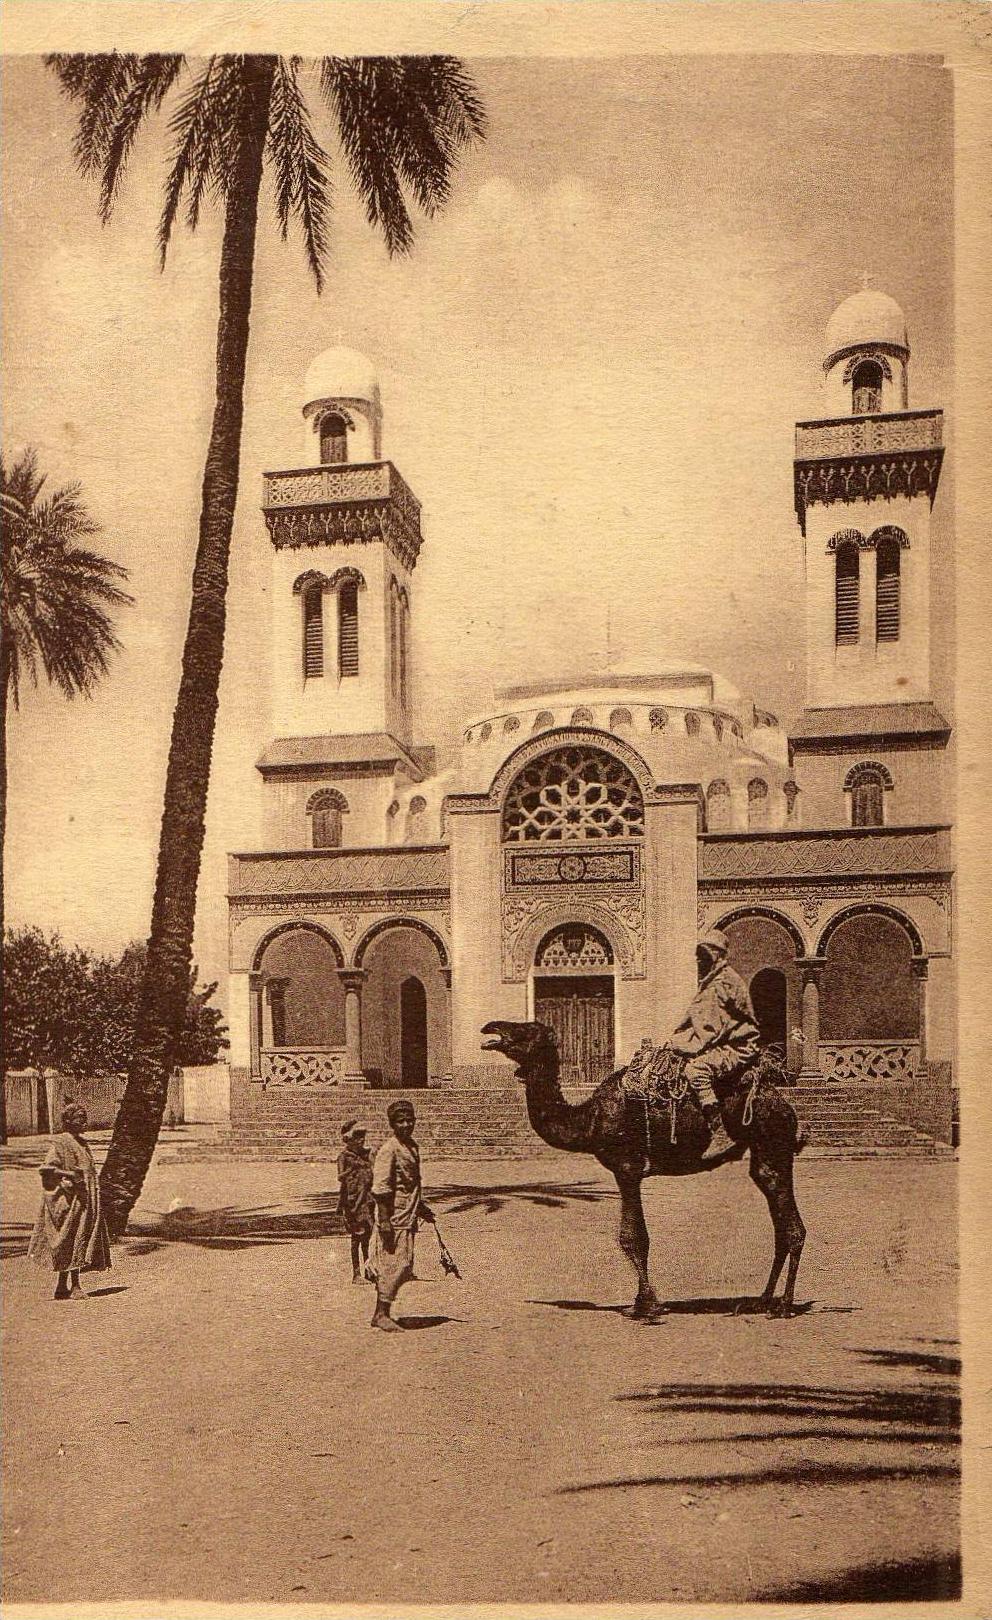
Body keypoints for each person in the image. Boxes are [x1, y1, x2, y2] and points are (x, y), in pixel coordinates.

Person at [669, 929, 760, 1161]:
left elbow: (709, 1030)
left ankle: (720, 1132)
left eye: (704, 956)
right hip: (722, 1042)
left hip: (738, 1047)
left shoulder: (723, 983)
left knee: (695, 1070)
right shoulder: (711, 981)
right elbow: (694, 1020)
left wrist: (680, 1046)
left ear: (717, 955)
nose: (699, 961)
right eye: (698, 956)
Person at [27, 1102, 111, 1298]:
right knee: (71, 1239)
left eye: (85, 1118)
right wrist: (70, 1175)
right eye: (80, 1118)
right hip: (70, 1200)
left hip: (84, 1201)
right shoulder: (61, 1143)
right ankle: (74, 1286)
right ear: (69, 1121)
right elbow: (47, 1169)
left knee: (77, 1239)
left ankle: (62, 1286)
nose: (84, 1122)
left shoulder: (82, 1143)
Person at [369, 1099, 435, 1331]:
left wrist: (421, 1207)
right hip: (393, 1214)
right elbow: (381, 1187)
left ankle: (382, 1310)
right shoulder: (389, 1150)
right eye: (401, 1121)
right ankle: (380, 1314)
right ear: (392, 1124)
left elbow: (411, 1182)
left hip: (408, 1212)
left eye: (410, 1120)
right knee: (395, 1263)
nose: (406, 1125)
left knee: (403, 1263)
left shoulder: (412, 1147)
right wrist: (384, 1220)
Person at [336, 1120, 374, 1283]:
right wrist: (351, 1169)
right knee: (356, 1237)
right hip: (352, 1202)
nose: (361, 1140)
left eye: (363, 1137)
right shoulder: (344, 1156)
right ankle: (356, 1273)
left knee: (367, 1237)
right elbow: (340, 1177)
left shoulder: (366, 1155)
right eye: (357, 1137)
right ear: (349, 1139)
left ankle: (369, 1270)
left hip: (367, 1201)